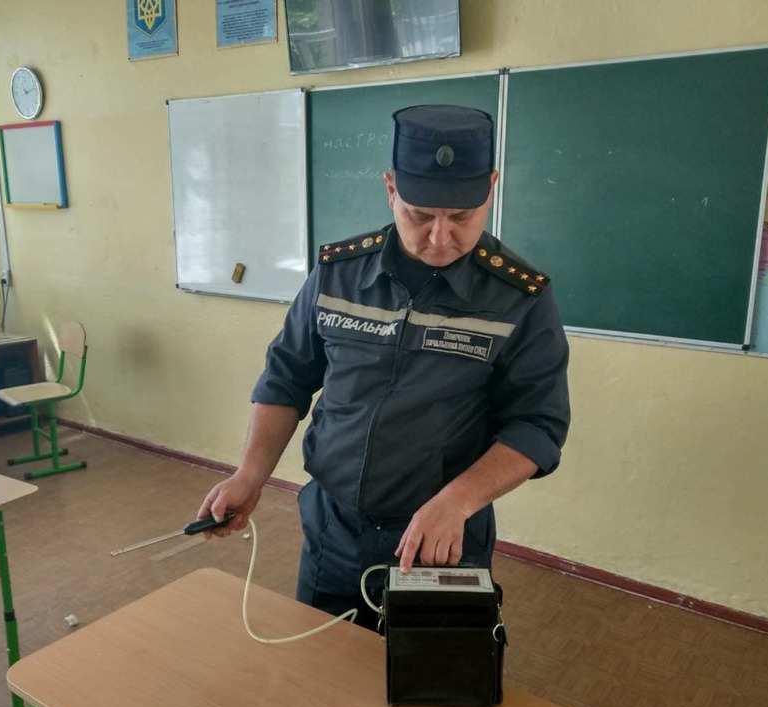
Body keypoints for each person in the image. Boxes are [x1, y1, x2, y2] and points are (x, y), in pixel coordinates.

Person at [197, 104, 570, 630]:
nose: (440, 238)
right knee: (320, 664)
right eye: (420, 215)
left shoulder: (518, 298)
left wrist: (458, 501)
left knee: (429, 673)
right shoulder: (338, 274)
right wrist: (250, 474)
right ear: (391, 189)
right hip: (333, 528)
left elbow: (537, 425)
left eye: (461, 217)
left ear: (490, 189)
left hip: (440, 537)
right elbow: (286, 378)